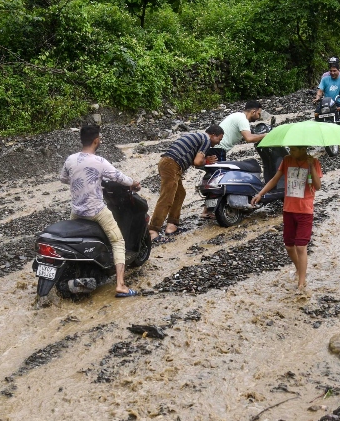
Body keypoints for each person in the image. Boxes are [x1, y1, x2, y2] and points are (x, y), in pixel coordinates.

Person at [60, 123, 141, 297]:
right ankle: (120, 285)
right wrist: (134, 183)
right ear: (96, 141)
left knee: (72, 242)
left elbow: (63, 178)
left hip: (77, 211)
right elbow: (119, 177)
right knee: (118, 241)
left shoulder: (70, 159)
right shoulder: (99, 162)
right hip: (96, 211)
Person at [251, 145, 322, 291]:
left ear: (303, 149)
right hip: (288, 209)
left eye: (294, 149)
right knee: (289, 246)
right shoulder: (287, 160)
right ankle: (299, 269)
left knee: (301, 246)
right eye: (291, 149)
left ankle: (301, 283)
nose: (291, 152)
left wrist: (311, 167)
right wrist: (260, 194)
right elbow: (275, 179)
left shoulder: (313, 162)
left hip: (305, 211)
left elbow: (318, 186)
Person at [150, 125, 224, 242]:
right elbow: (197, 161)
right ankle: (153, 231)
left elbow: (192, 159)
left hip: (169, 163)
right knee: (167, 198)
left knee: (180, 194)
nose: (218, 142)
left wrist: (204, 160)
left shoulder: (198, 136)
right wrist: (207, 161)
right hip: (171, 165)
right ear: (213, 135)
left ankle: (171, 226)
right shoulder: (206, 140)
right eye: (219, 139)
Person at [315, 57, 340, 126]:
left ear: (338, 70)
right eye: (331, 71)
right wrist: (317, 97)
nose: (332, 73)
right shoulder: (325, 78)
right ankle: (319, 127)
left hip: (338, 102)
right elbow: (320, 90)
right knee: (317, 112)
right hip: (327, 102)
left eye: (334, 71)